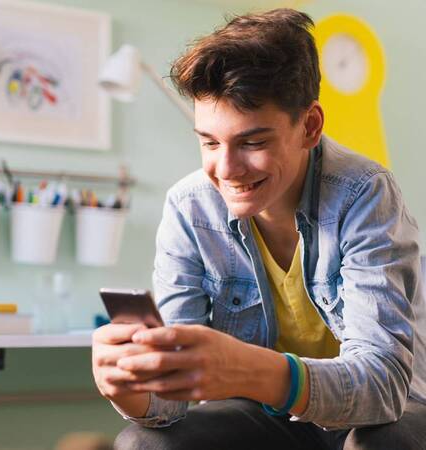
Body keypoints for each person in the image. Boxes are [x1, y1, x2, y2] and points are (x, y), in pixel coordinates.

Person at [91, 8, 426, 450]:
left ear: (309, 126)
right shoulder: (189, 208)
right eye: (209, 142)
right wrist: (130, 387)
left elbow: (381, 387)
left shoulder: (364, 193)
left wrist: (251, 369)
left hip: (388, 413)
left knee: (380, 443)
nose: (225, 169)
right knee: (143, 442)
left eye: (252, 142)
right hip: (267, 417)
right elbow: (167, 405)